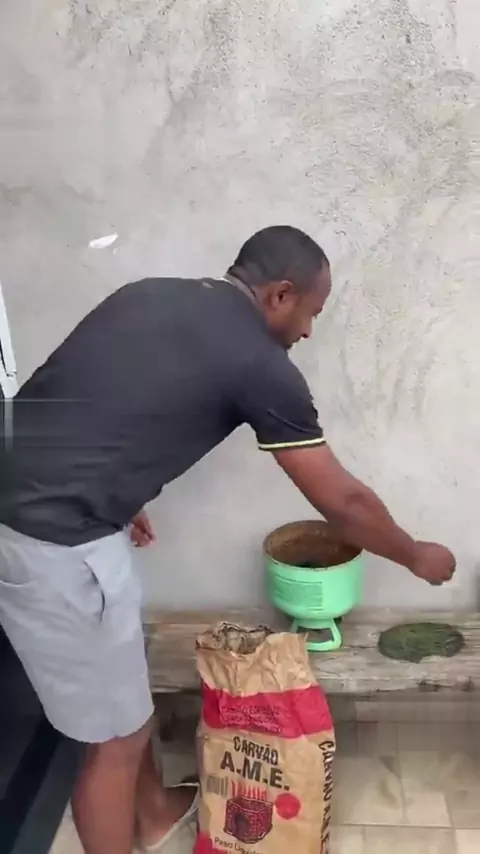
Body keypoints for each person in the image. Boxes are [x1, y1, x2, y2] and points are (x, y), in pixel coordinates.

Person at [0, 225, 455, 854]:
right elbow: (342, 503)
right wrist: (415, 555)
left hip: (41, 514)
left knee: (123, 707)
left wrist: (115, 492)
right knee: (112, 742)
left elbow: (67, 400)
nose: (308, 331)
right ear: (280, 294)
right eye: (311, 312)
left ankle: (156, 818)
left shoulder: (146, 294)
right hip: (55, 547)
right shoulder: (259, 365)